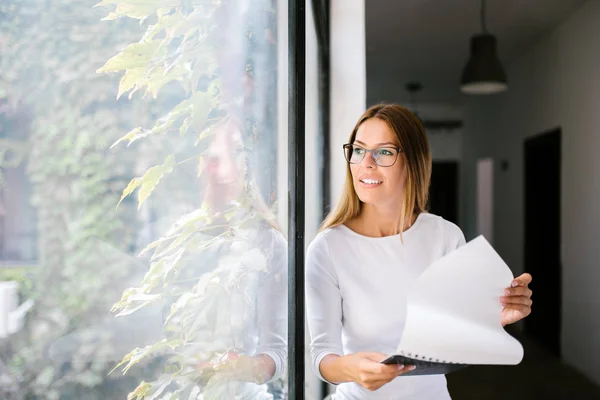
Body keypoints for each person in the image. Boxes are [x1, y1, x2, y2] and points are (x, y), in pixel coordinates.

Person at [305, 104, 533, 400]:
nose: (366, 163)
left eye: (384, 152)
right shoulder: (327, 248)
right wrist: (350, 369)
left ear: (412, 161)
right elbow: (323, 356)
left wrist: (495, 318)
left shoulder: (445, 237)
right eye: (359, 150)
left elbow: (454, 338)